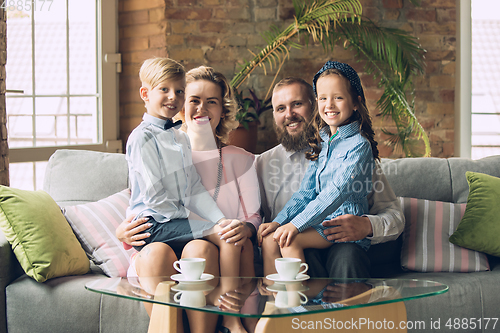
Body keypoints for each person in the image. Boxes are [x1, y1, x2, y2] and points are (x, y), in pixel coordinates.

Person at [119, 64, 261, 333]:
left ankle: (227, 314)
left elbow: (197, 192)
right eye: (194, 100)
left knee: (213, 241)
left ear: (223, 109)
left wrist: (227, 223)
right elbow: (145, 199)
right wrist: (121, 231)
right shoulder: (147, 138)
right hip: (157, 232)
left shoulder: (186, 144)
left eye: (212, 102)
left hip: (202, 247)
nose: (201, 108)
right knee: (164, 252)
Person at [256, 75, 404, 279]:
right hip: (300, 242)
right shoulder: (263, 164)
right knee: (283, 242)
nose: (289, 114)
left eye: (297, 104)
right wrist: (278, 223)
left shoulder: (355, 151)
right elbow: (302, 196)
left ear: (312, 106)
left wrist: (367, 226)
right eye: (281, 108)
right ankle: (283, 307)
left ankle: (339, 310)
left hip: (341, 243)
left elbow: (394, 217)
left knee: (347, 256)